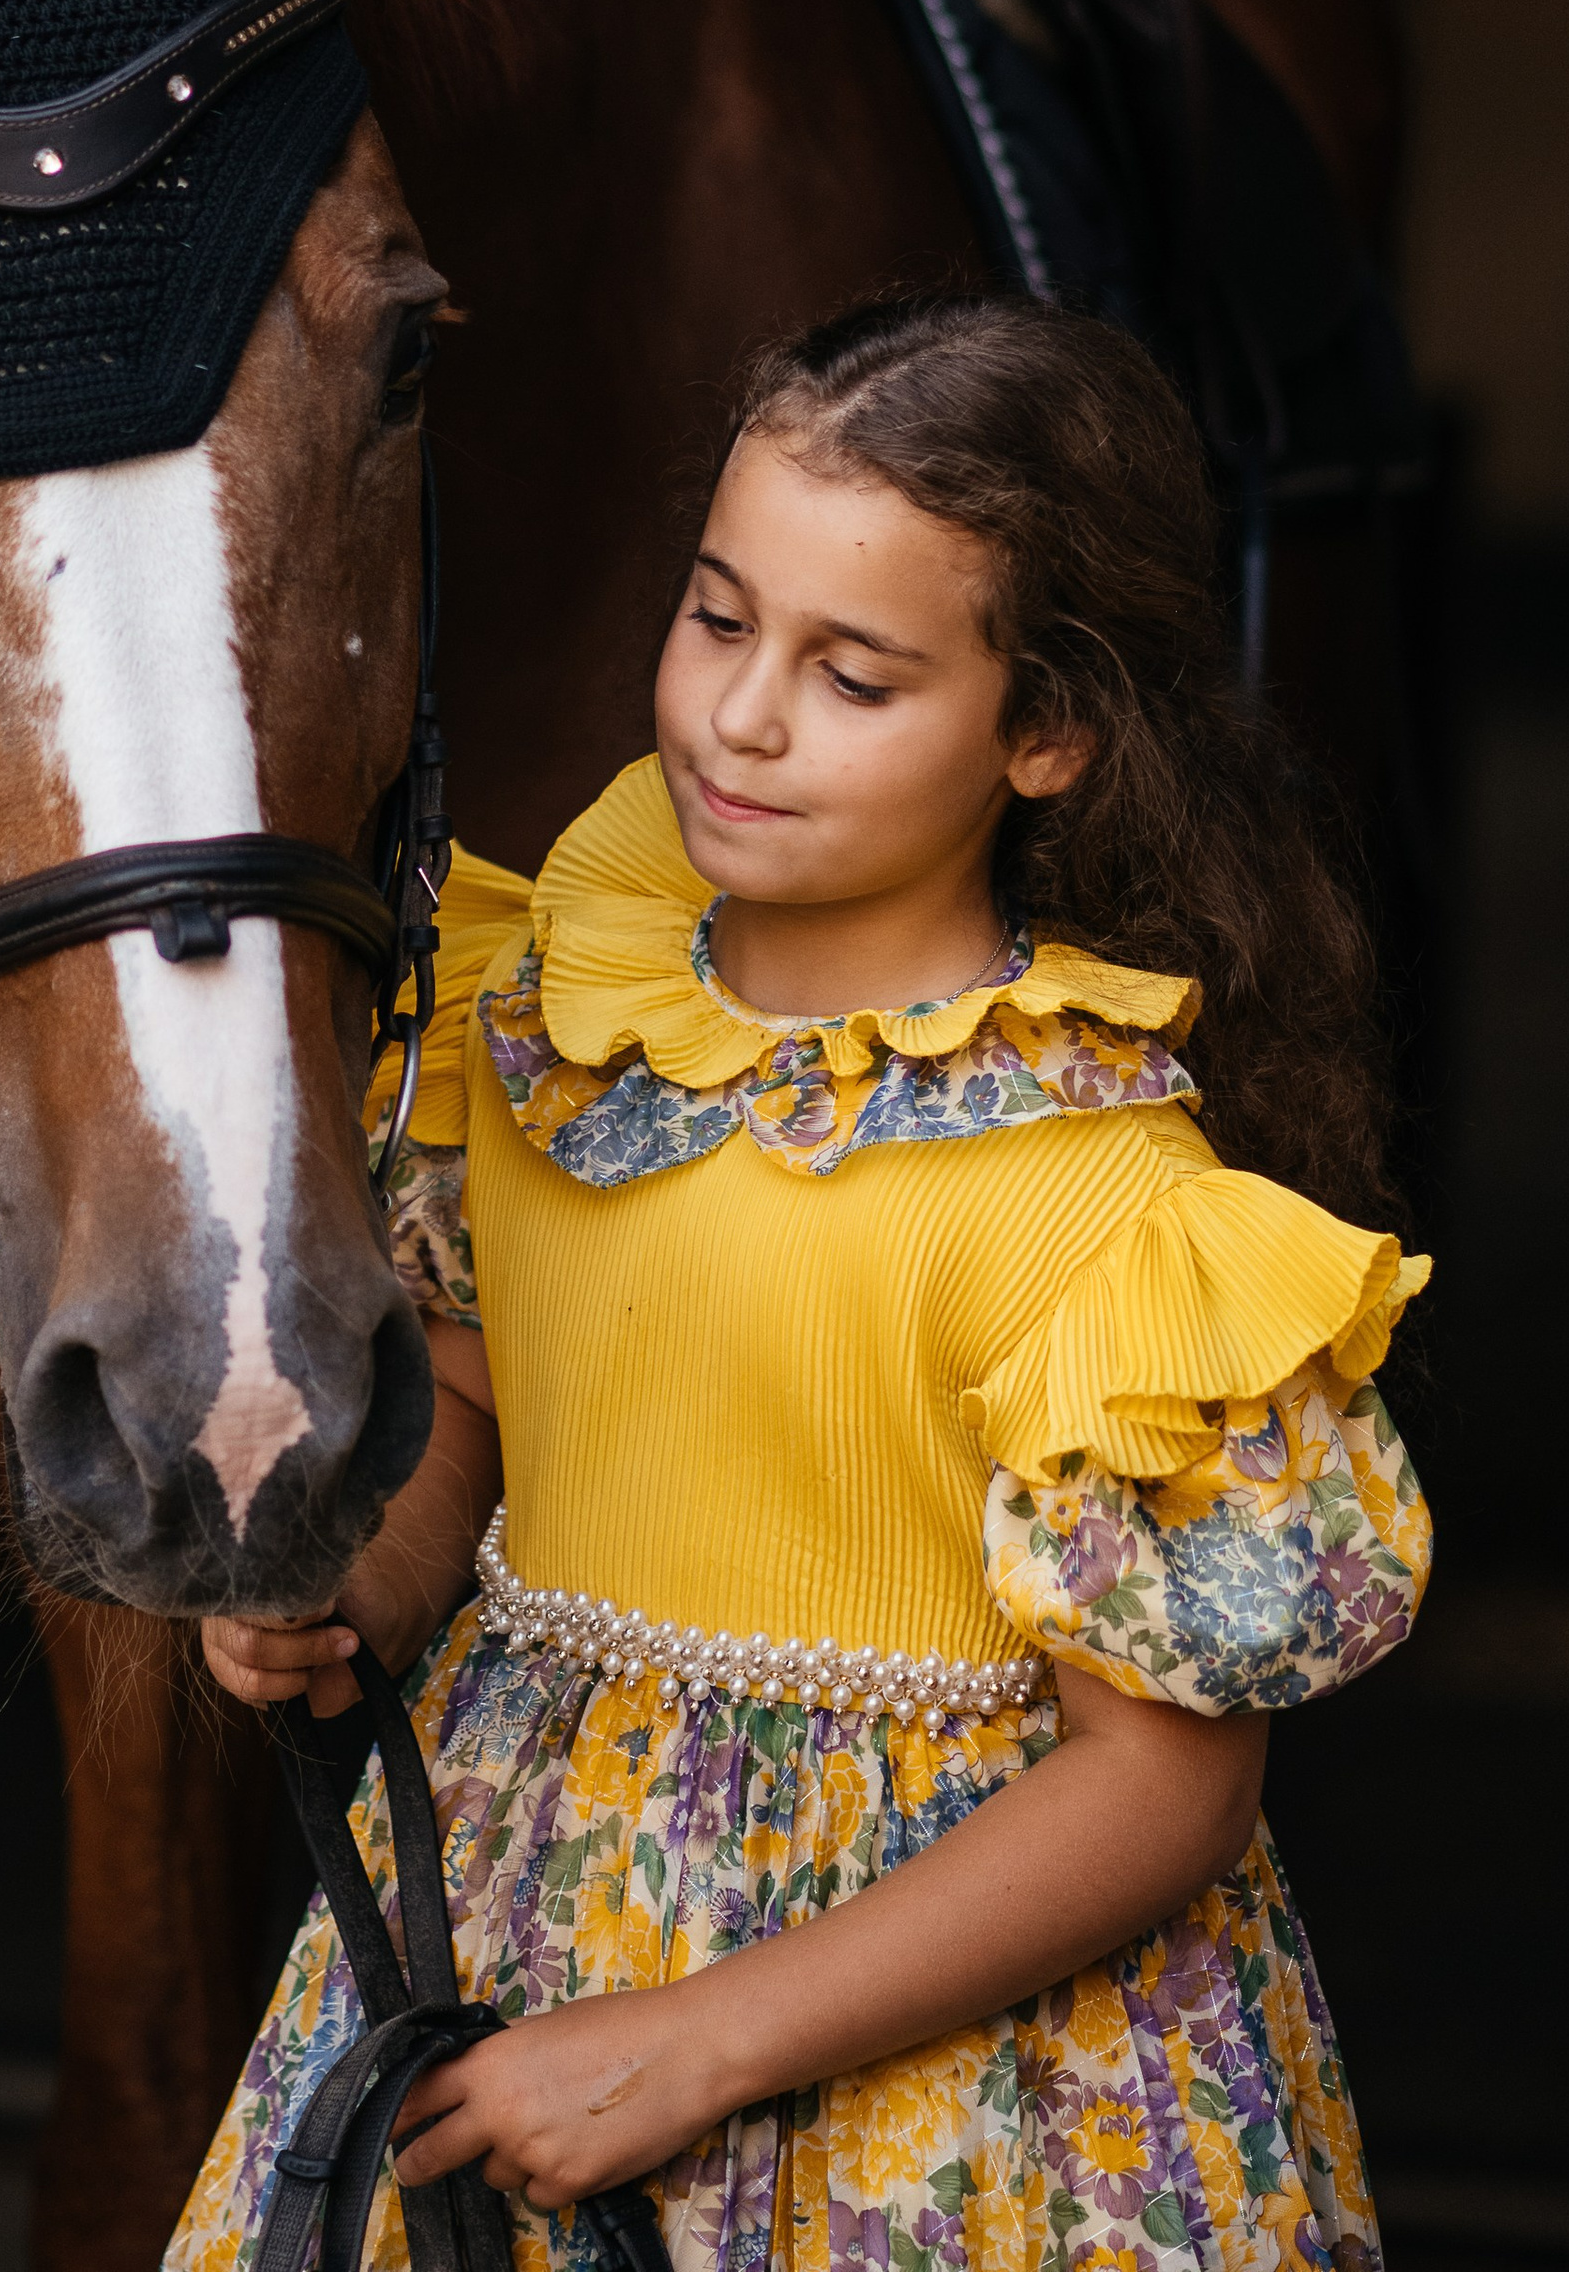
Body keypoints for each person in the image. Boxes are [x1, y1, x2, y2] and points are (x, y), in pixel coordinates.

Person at [171, 295, 1431, 2271]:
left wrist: (695, 2044)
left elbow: (1162, 1789)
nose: (738, 718)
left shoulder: (1095, 1197)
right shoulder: (561, 1008)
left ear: (1044, 732)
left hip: (941, 2087)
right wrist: (353, 1587)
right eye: (715, 617)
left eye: (852, 677)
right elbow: (487, 1405)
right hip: (519, 1940)